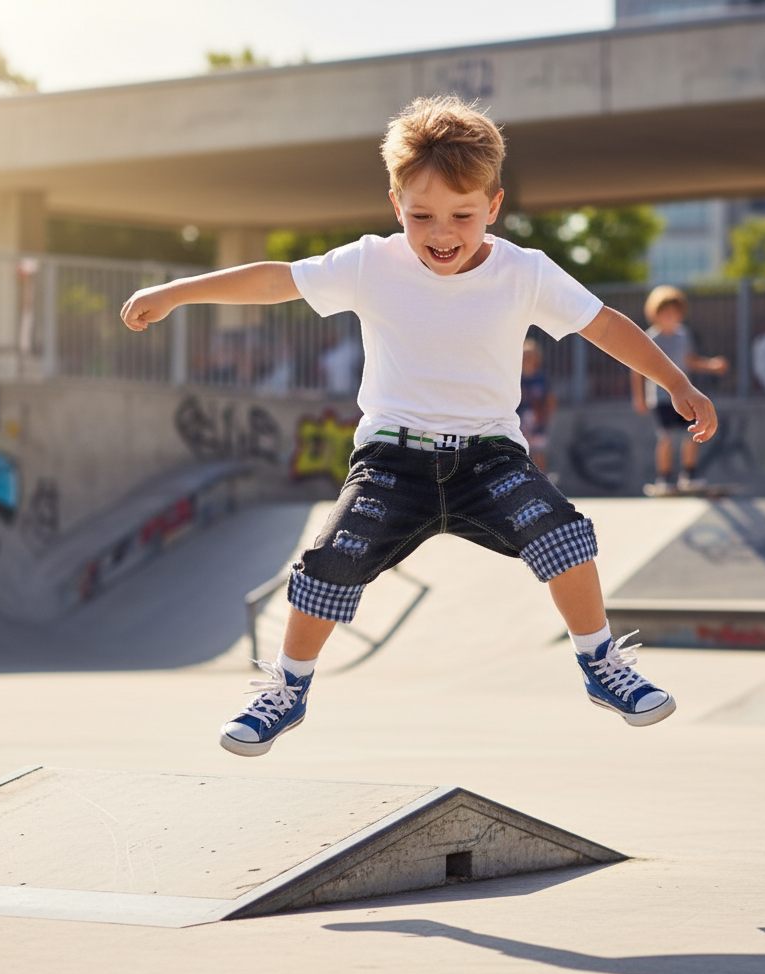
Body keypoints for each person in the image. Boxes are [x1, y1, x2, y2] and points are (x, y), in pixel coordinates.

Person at [121, 96, 719, 755]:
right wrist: (174, 293)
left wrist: (677, 381)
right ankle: (287, 688)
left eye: (462, 216)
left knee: (562, 533)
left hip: (490, 460)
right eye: (421, 216)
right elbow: (275, 283)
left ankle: (599, 662)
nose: (442, 235)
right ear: (395, 204)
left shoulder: (524, 272)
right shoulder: (370, 263)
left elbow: (603, 324)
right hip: (392, 461)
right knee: (330, 561)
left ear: (493, 206)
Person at [631, 286, 728, 493]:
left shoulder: (683, 335)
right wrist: (639, 397)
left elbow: (688, 360)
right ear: (655, 315)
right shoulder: (650, 338)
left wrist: (711, 365)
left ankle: (689, 474)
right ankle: (664, 477)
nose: (670, 317)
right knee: (666, 436)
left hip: (684, 396)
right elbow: (637, 369)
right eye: (665, 313)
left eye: (674, 313)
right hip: (661, 397)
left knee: (690, 435)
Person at [517, 336, 557, 473]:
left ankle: (542, 478)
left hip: (537, 421)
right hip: (518, 420)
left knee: (539, 453)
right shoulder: (516, 377)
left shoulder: (541, 379)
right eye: (525, 356)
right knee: (519, 453)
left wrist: (546, 418)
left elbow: (550, 401)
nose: (528, 359)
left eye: (531, 356)